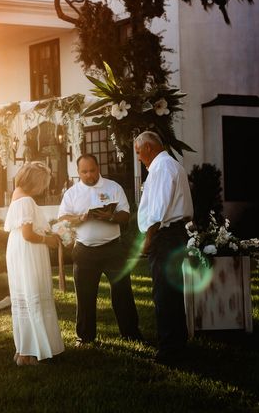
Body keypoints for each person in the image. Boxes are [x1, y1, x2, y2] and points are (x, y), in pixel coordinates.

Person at [58, 154, 142, 346]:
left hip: (113, 249)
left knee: (122, 292)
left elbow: (125, 215)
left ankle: (131, 333)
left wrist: (110, 217)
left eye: (92, 170)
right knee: (85, 295)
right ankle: (85, 337)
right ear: (78, 172)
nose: (89, 175)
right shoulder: (72, 193)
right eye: (84, 172)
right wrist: (80, 218)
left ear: (98, 168)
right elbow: (63, 219)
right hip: (84, 251)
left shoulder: (113, 187)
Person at [135, 131, 193, 364]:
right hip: (175, 234)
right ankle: (177, 343)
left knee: (164, 294)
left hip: (165, 236)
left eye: (139, 152)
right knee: (172, 292)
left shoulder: (161, 168)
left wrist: (148, 240)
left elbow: (158, 211)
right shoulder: (171, 165)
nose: (139, 157)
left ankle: (169, 350)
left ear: (148, 148)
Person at [4, 161, 65, 366]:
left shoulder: (17, 196)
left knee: (25, 294)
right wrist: (47, 240)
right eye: (44, 183)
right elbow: (28, 234)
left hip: (19, 249)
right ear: (35, 182)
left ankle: (24, 349)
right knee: (32, 294)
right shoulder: (26, 201)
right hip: (27, 250)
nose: (45, 188)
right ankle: (29, 353)